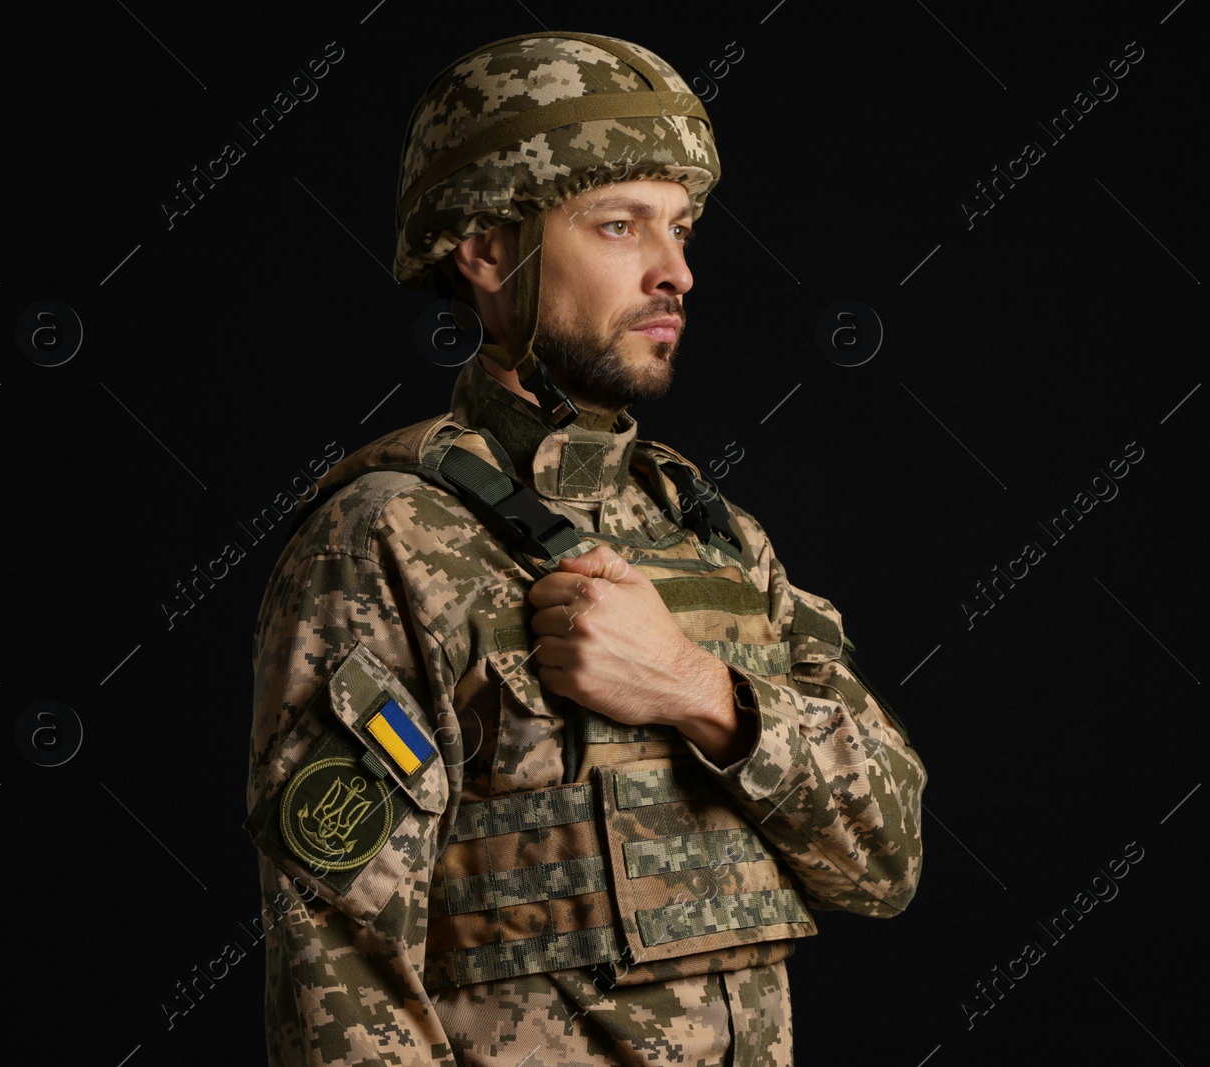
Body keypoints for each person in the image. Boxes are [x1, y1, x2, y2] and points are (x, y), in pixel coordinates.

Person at [244, 31, 928, 1066]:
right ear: (483, 251)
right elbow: (340, 979)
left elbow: (883, 859)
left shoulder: (714, 536)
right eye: (618, 225)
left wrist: (700, 688)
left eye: (681, 229)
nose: (676, 272)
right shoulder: (390, 535)